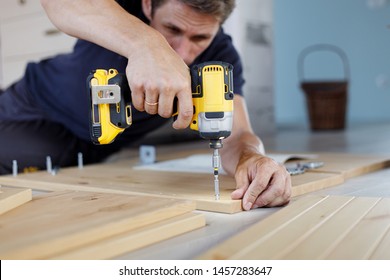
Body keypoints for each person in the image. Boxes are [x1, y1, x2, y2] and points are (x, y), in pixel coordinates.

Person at [0, 0, 291, 210]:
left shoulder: (221, 59)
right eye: (172, 29)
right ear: (148, 5)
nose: (182, 52)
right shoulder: (120, 7)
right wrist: (146, 44)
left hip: (93, 150)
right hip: (30, 107)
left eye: (200, 37)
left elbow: (237, 135)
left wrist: (251, 158)